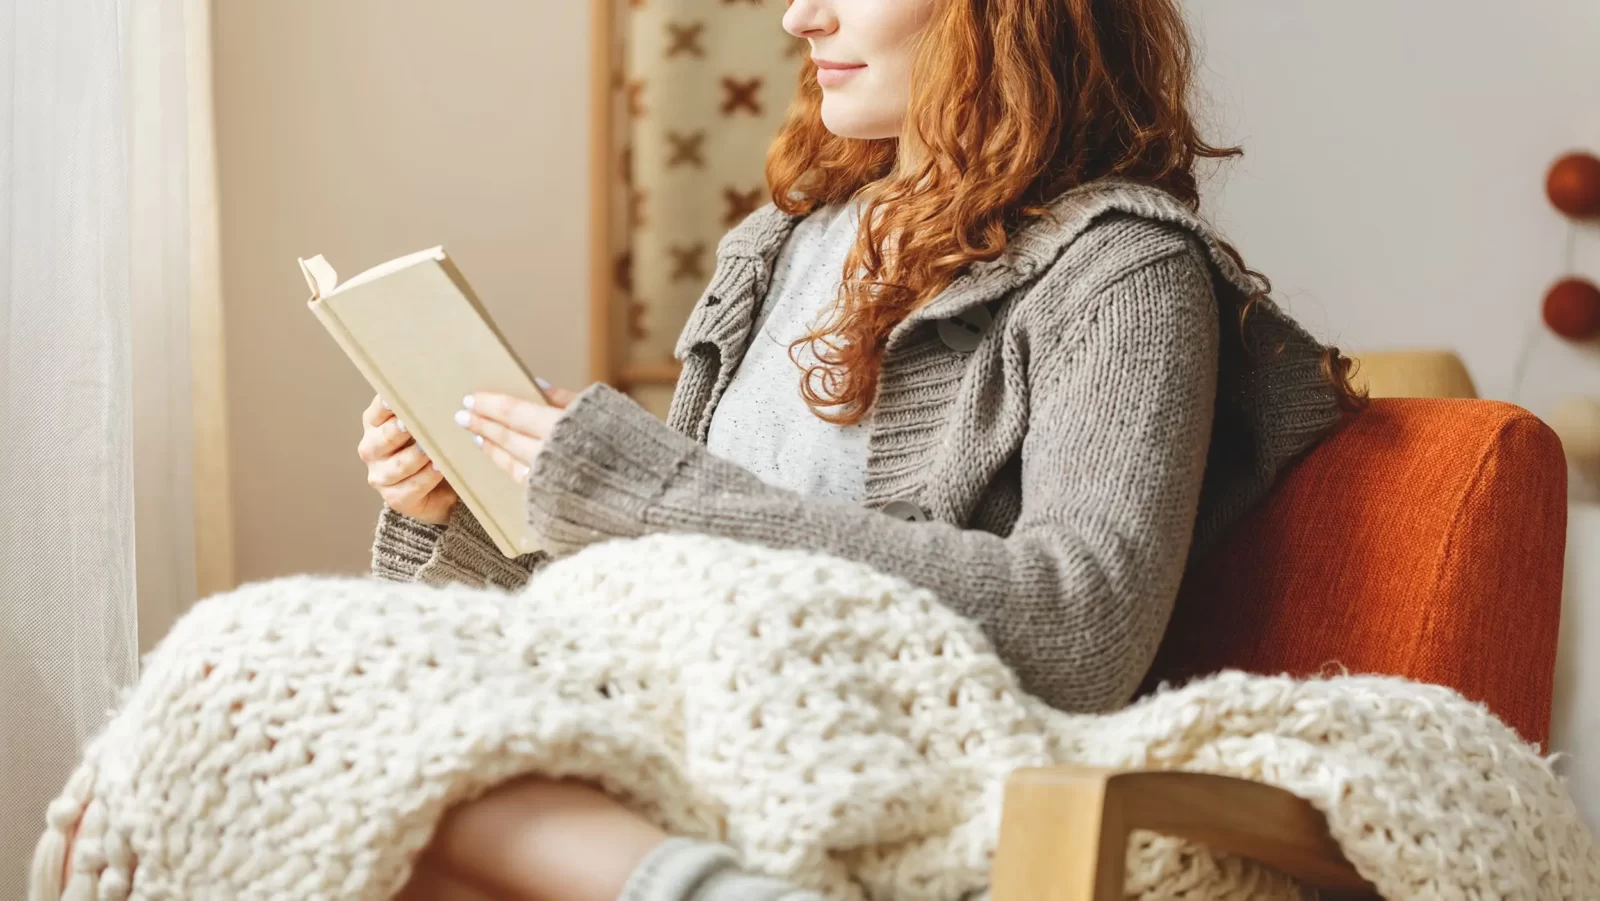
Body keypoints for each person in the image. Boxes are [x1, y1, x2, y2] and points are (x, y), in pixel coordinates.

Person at [52, 1, 1360, 899]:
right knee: (257, 685)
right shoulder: (778, 249)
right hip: (682, 723)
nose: (796, 14)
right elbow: (646, 591)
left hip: (894, 758)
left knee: (281, 707)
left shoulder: (1121, 271)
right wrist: (471, 510)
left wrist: (650, 491)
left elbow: (1084, 633)